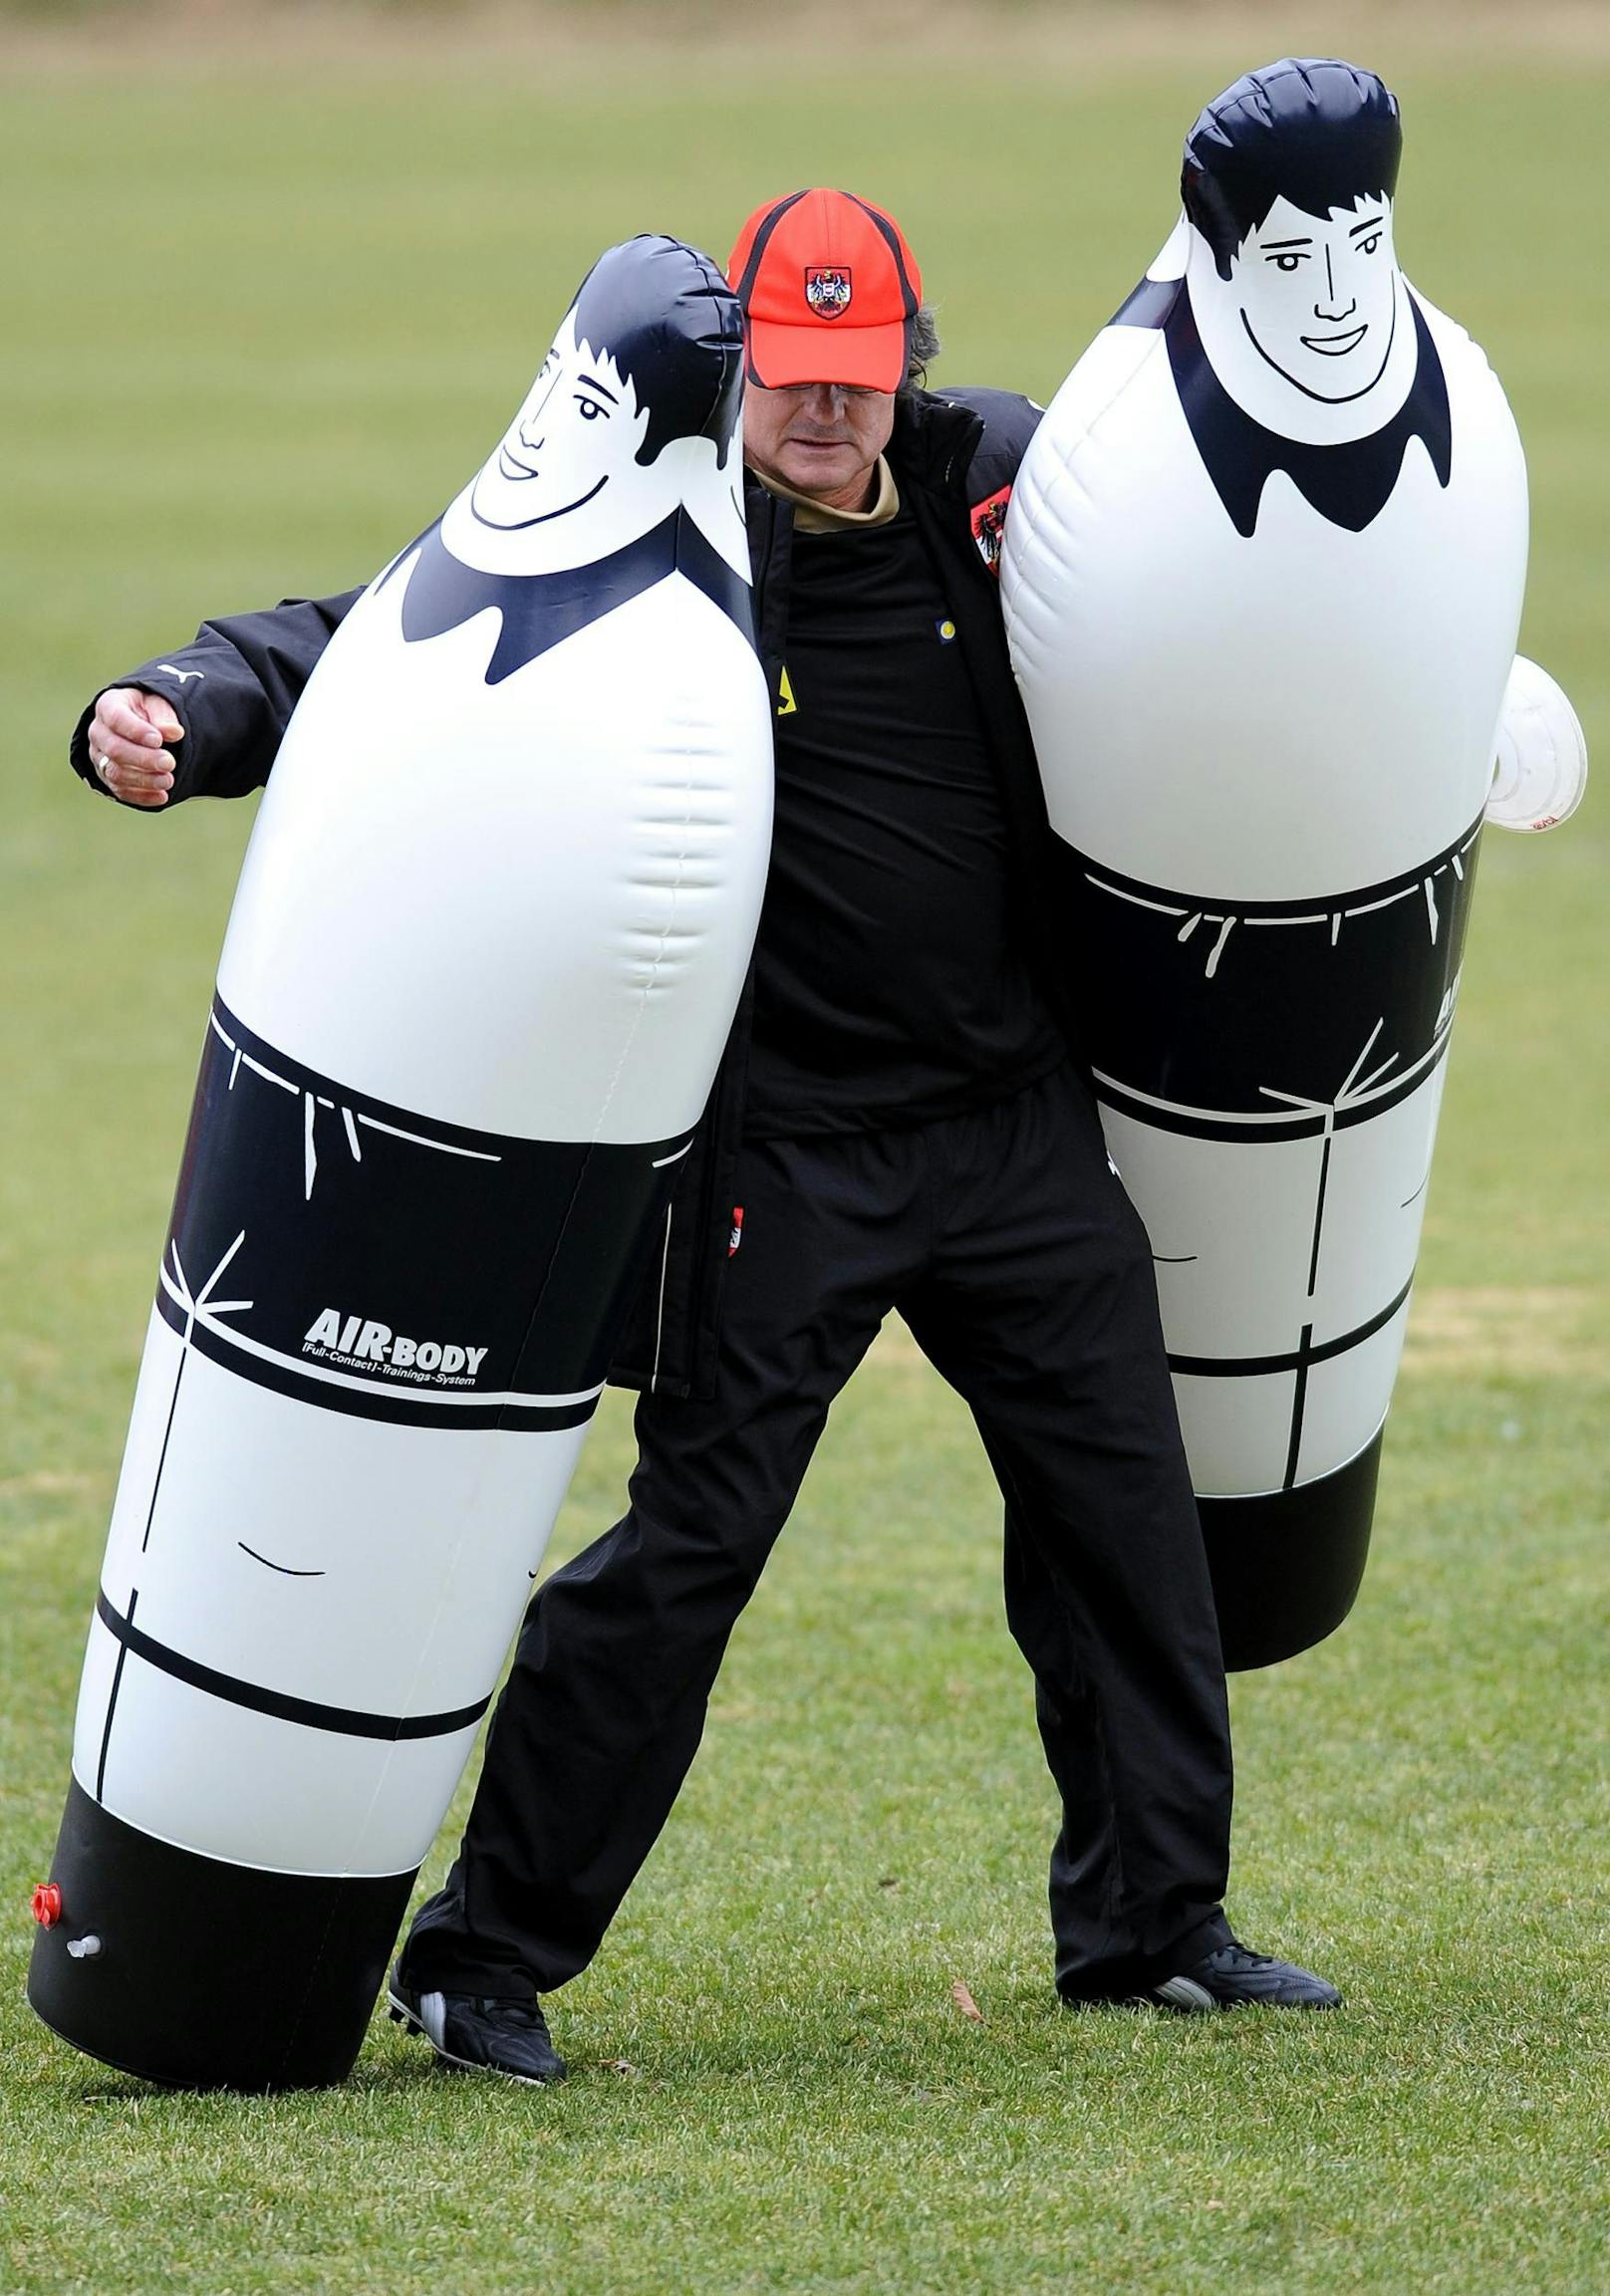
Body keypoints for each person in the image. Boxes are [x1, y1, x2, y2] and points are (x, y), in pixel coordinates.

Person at [76, 187, 1340, 2085]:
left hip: (1010, 1129)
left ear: (902, 365)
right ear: (739, 366)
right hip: (788, 1160)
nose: (818, 417)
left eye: (852, 380)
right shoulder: (662, 537)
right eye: (786, 380)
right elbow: (390, 628)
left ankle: (1153, 1920)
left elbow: (1195, 542)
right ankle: (479, 1956)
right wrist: (188, 702)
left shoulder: (1005, 489)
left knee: (1125, 1519)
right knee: (685, 1560)